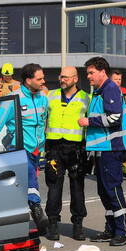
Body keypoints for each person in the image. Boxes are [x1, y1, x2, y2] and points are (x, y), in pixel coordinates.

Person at [0, 63, 49, 234]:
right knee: (30, 180)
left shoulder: (43, 98)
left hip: (36, 152)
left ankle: (14, 224)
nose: (43, 82)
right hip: (18, 150)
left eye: (43, 78)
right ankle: (36, 210)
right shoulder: (12, 100)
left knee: (21, 187)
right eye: (39, 79)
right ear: (28, 80)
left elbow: (44, 125)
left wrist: (44, 150)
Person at [78, 56, 126, 246]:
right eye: (87, 73)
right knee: (104, 191)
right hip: (102, 148)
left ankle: (122, 231)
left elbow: (114, 118)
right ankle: (111, 228)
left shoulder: (110, 89)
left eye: (91, 73)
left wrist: (89, 121)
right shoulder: (99, 91)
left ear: (102, 72)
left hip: (111, 148)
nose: (88, 76)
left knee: (112, 189)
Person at [43, 66, 90, 241]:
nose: (62, 80)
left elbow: (91, 123)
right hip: (54, 147)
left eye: (66, 77)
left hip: (76, 148)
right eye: (61, 77)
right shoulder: (51, 95)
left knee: (77, 187)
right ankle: (52, 224)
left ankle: (78, 225)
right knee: (54, 186)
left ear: (75, 79)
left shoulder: (86, 98)